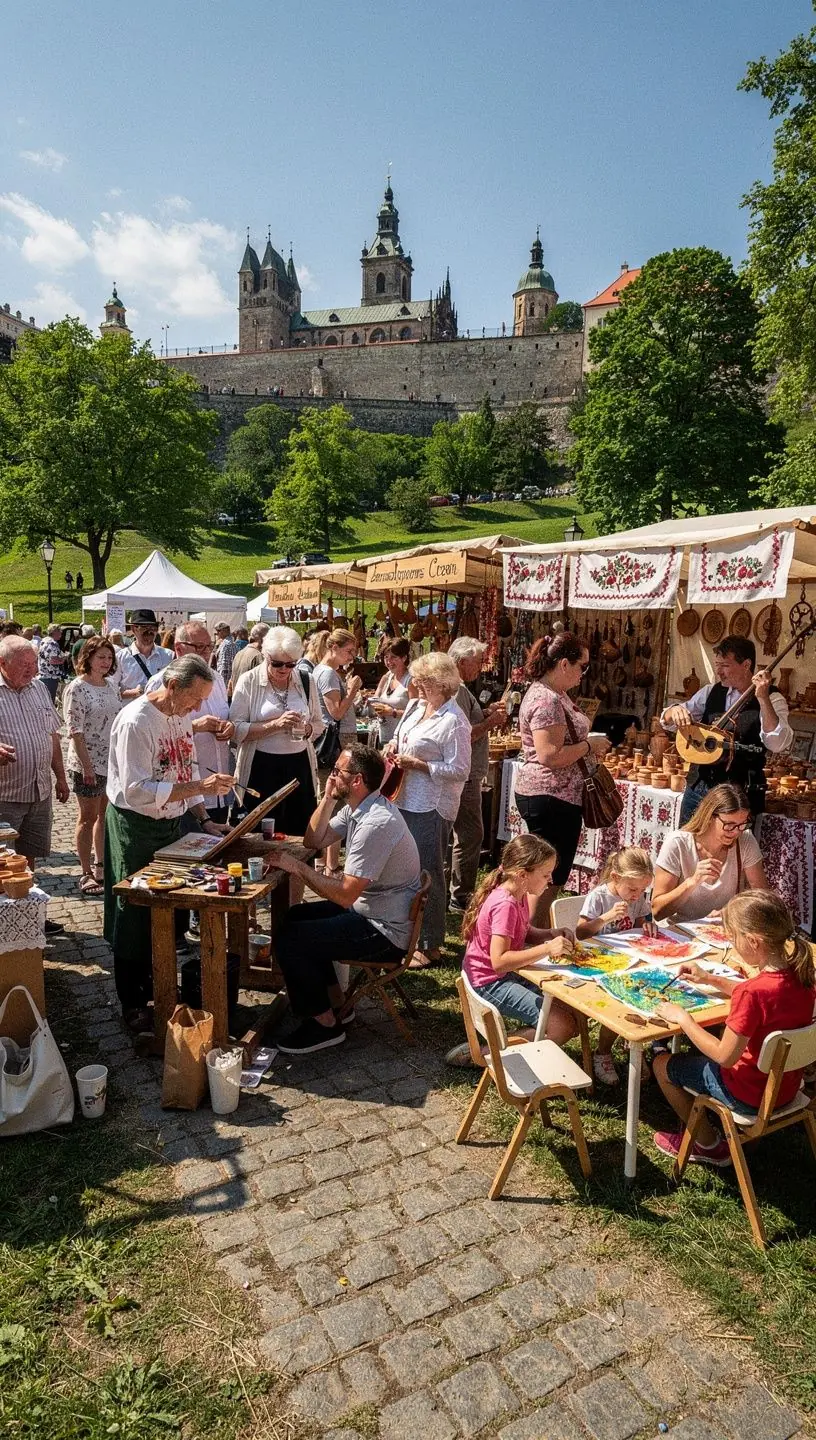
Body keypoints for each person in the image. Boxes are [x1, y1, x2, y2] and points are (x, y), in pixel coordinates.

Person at [104, 654, 233, 1031]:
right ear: (173, 686)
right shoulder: (136, 720)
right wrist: (198, 787)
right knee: (135, 910)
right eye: (195, 699)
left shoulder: (180, 716)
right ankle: (133, 1000)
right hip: (135, 825)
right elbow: (137, 790)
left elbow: (186, 768)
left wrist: (204, 818)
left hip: (171, 823)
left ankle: (160, 985)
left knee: (170, 905)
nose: (197, 708)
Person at [267, 744, 421, 1054]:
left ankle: (324, 1025)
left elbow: (345, 894)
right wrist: (327, 798)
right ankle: (337, 1004)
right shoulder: (358, 807)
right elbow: (313, 840)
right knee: (293, 917)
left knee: (291, 939)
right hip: (373, 913)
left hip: (384, 931)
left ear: (357, 780)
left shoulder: (375, 823)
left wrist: (298, 868)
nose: (332, 776)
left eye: (338, 771)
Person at [652, 890, 816, 1166]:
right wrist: (710, 979)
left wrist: (684, 1019)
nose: (732, 944)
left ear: (753, 941)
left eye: (733, 938)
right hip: (786, 1089)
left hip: (747, 1095)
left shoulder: (752, 993)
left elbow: (724, 1056)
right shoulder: (803, 977)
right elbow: (761, 996)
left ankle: (708, 1145)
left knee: (661, 1065)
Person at [514, 632, 610, 923]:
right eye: (583, 666)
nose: (584, 673)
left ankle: (533, 932)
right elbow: (550, 755)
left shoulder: (554, 694)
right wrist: (589, 746)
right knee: (546, 877)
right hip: (552, 797)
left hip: (555, 795)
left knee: (547, 875)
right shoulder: (548, 700)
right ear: (564, 664)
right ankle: (531, 936)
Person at [456, 834, 578, 1058]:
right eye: (545, 874)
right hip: (489, 983)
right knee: (563, 1027)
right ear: (523, 875)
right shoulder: (506, 905)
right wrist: (547, 948)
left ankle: (507, 1043)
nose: (550, 880)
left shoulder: (518, 893)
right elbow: (499, 961)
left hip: (499, 976)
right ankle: (483, 1053)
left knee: (572, 1010)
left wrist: (550, 934)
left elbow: (522, 931)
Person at [387, 651, 471, 968]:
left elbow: (460, 770)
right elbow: (400, 736)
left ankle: (430, 943)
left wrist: (420, 765)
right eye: (418, 680)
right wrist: (393, 747)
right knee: (407, 869)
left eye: (425, 682)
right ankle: (407, 933)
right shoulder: (415, 707)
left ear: (443, 683)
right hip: (404, 797)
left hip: (432, 805)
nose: (418, 686)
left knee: (428, 872)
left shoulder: (454, 721)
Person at [661, 636, 793, 823]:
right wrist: (674, 710)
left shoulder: (773, 698)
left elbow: (777, 743)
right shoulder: (711, 691)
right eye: (717, 665)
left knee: (731, 842)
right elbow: (667, 720)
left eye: (725, 665)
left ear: (746, 665)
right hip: (699, 788)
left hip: (740, 794)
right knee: (688, 839)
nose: (718, 672)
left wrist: (763, 698)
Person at [229, 625, 324, 839]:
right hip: (261, 767)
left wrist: (307, 729)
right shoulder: (249, 681)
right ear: (265, 656)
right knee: (261, 834)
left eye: (291, 664)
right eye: (277, 664)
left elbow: (319, 724)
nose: (284, 669)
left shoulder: (306, 680)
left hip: (299, 766)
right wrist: (276, 725)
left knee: (299, 833)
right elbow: (235, 729)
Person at [0, 636, 68, 929]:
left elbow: (52, 736)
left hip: (39, 790)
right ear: (2, 663)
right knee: (3, 862)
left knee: (28, 857)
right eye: (24, 664)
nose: (32, 670)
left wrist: (61, 778)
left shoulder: (39, 688)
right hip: (6, 794)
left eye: (34, 663)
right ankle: (6, 923)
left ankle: (29, 916)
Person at [576, 847, 658, 1086]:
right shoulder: (600, 897)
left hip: (628, 960)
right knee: (620, 1000)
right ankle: (602, 1052)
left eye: (642, 890)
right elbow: (580, 932)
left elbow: (641, 922)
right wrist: (606, 917)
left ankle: (632, 1041)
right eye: (632, 889)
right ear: (615, 877)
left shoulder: (637, 897)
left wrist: (648, 927)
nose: (637, 895)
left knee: (648, 990)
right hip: (599, 963)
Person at [146, 622, 235, 831]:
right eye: (200, 647)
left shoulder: (216, 679)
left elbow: (226, 714)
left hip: (217, 787)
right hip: (181, 793)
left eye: (209, 646)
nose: (206, 652)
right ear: (179, 648)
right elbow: (156, 734)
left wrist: (229, 726)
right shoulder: (161, 682)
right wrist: (194, 726)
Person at [447, 637, 508, 912]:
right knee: (470, 834)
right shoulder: (458, 689)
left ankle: (454, 891)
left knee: (462, 833)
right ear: (462, 662)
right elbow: (464, 735)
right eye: (478, 662)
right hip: (466, 774)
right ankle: (461, 896)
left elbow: (464, 721)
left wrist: (484, 712)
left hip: (465, 772)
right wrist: (491, 722)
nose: (481, 667)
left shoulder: (457, 689)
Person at [652, 783, 768, 923]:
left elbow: (763, 898)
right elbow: (657, 911)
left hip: (724, 928)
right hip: (680, 928)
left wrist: (732, 912)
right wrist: (692, 882)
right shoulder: (678, 843)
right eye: (729, 825)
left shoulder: (745, 840)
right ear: (710, 817)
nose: (736, 832)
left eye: (742, 824)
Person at [63, 636, 121, 896]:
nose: (106, 662)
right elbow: (75, 730)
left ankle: (101, 864)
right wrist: (87, 767)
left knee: (104, 815)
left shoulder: (111, 686)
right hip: (86, 762)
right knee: (87, 817)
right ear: (88, 658)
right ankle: (85, 871)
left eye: (109, 657)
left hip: (110, 761)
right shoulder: (77, 688)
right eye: (101, 657)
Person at [313, 629, 362, 874]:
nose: (351, 656)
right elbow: (336, 713)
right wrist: (352, 689)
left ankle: (325, 861)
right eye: (348, 651)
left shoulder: (324, 672)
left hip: (334, 743)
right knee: (335, 800)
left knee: (331, 799)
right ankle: (330, 864)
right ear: (333, 647)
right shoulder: (328, 674)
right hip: (336, 745)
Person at [118, 610, 173, 700]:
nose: (149, 632)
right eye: (144, 627)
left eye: (153, 628)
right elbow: (111, 692)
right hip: (131, 708)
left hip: (158, 709)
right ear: (134, 629)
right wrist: (134, 693)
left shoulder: (168, 656)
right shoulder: (120, 657)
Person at [367, 637, 411, 748]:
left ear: (404, 658)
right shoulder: (388, 677)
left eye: (393, 657)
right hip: (383, 737)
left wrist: (393, 712)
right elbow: (375, 700)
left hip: (401, 742)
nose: (388, 661)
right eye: (386, 657)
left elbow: (418, 713)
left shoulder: (410, 681)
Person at [228, 622, 268, 698]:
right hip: (249, 701)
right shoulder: (258, 656)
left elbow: (231, 682)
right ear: (264, 639)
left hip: (237, 699)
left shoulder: (239, 653)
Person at [37, 623, 69, 703]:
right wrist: (65, 657)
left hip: (43, 674)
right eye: (60, 631)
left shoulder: (44, 640)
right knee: (50, 702)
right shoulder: (52, 643)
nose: (61, 633)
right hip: (50, 677)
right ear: (55, 632)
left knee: (44, 701)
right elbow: (53, 661)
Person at [214, 622, 238, 687]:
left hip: (225, 682)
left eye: (218, 631)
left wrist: (222, 684)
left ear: (224, 631)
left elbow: (224, 667)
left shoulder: (226, 645)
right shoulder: (231, 643)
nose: (217, 633)